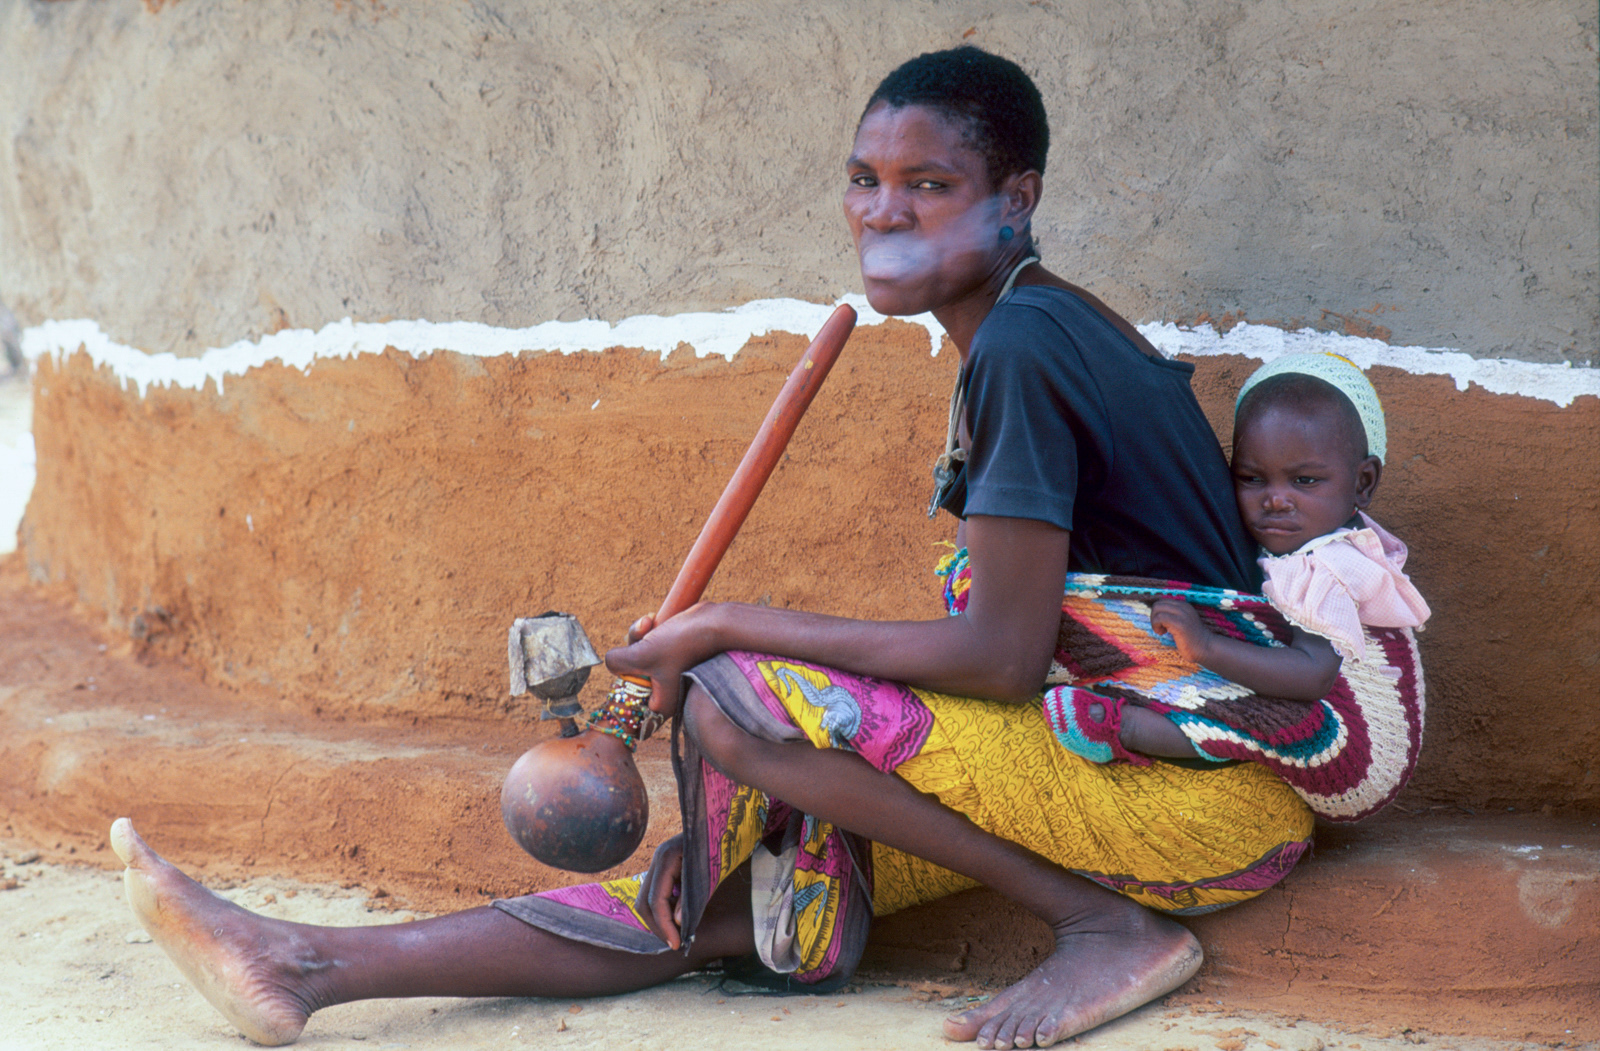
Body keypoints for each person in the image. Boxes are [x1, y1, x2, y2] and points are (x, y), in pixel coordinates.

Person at [110, 47, 1316, 1050]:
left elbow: (1000, 657)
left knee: (742, 700)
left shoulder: (1023, 347)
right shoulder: (1027, 328)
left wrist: (725, 624)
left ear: (1018, 196)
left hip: (1195, 799)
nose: (882, 212)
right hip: (1089, 772)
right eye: (862, 178)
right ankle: (307, 964)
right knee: (731, 892)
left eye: (929, 185)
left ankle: (1108, 932)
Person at [1048, 353, 1431, 799]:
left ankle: (1131, 729)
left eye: (1304, 481)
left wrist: (1207, 646)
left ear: (1363, 483)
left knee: (1276, 715)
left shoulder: (1330, 565)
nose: (1275, 500)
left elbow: (1313, 677)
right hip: (1318, 716)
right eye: (1251, 478)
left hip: (1358, 744)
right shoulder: (1292, 546)